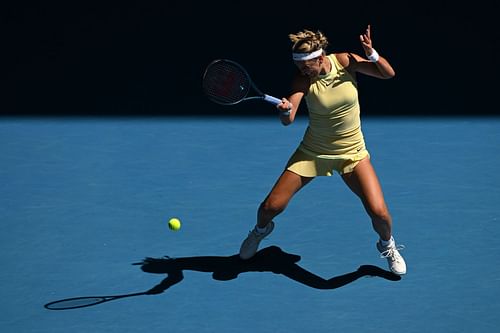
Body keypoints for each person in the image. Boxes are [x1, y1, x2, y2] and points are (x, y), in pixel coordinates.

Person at [238, 25, 406, 275]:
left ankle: (387, 246)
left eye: (307, 66)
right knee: (269, 208)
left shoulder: (345, 61)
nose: (303, 71)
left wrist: (371, 54)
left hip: (352, 153)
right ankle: (260, 231)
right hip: (313, 153)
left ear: (320, 58)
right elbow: (289, 118)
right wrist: (285, 111)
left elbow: (387, 74)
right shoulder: (302, 79)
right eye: (299, 67)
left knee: (379, 213)